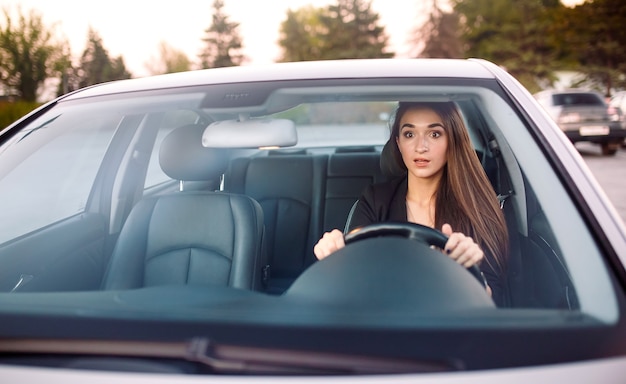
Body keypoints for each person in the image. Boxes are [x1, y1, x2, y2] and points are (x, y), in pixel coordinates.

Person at [313, 101, 509, 306]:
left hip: (454, 325)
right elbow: (354, 271)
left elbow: (494, 300)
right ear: (398, 142)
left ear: (452, 140)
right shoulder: (376, 199)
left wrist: (471, 270)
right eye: (409, 134)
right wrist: (333, 253)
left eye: (434, 134)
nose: (420, 147)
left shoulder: (478, 208)